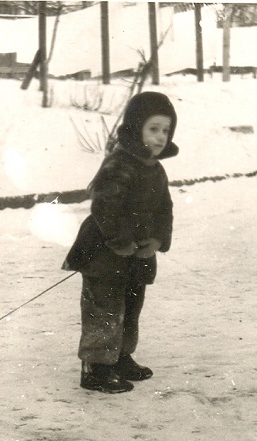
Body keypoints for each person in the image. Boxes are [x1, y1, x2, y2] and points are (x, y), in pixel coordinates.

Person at [62, 92, 179, 394]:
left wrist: (157, 239)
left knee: (130, 305)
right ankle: (96, 367)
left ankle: (121, 357)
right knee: (104, 307)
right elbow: (105, 208)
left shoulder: (155, 169)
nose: (161, 137)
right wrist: (120, 242)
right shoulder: (119, 164)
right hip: (105, 252)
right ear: (135, 128)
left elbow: (164, 208)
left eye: (166, 130)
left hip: (137, 254)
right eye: (153, 129)